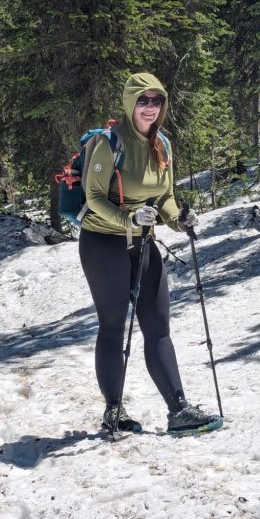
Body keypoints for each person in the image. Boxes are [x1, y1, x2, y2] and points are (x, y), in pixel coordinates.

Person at [79, 72, 223, 436]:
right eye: (143, 100)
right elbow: (93, 198)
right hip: (103, 243)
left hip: (143, 243)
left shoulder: (164, 145)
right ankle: (113, 412)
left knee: (158, 327)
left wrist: (179, 219)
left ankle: (179, 410)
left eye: (156, 100)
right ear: (130, 104)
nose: (150, 107)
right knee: (112, 327)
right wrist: (127, 218)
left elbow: (164, 197)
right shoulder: (109, 144)